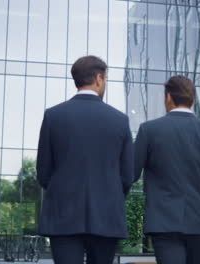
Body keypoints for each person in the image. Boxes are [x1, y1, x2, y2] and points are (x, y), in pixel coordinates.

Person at [36, 56, 134, 264]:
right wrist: (110, 194)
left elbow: (43, 172)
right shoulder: (120, 120)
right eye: (106, 79)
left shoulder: (53, 116)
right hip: (106, 215)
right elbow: (127, 176)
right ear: (99, 78)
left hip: (62, 216)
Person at [134, 75, 200, 264]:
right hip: (199, 222)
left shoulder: (149, 130)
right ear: (193, 100)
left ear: (168, 97)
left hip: (163, 221)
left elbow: (131, 174)